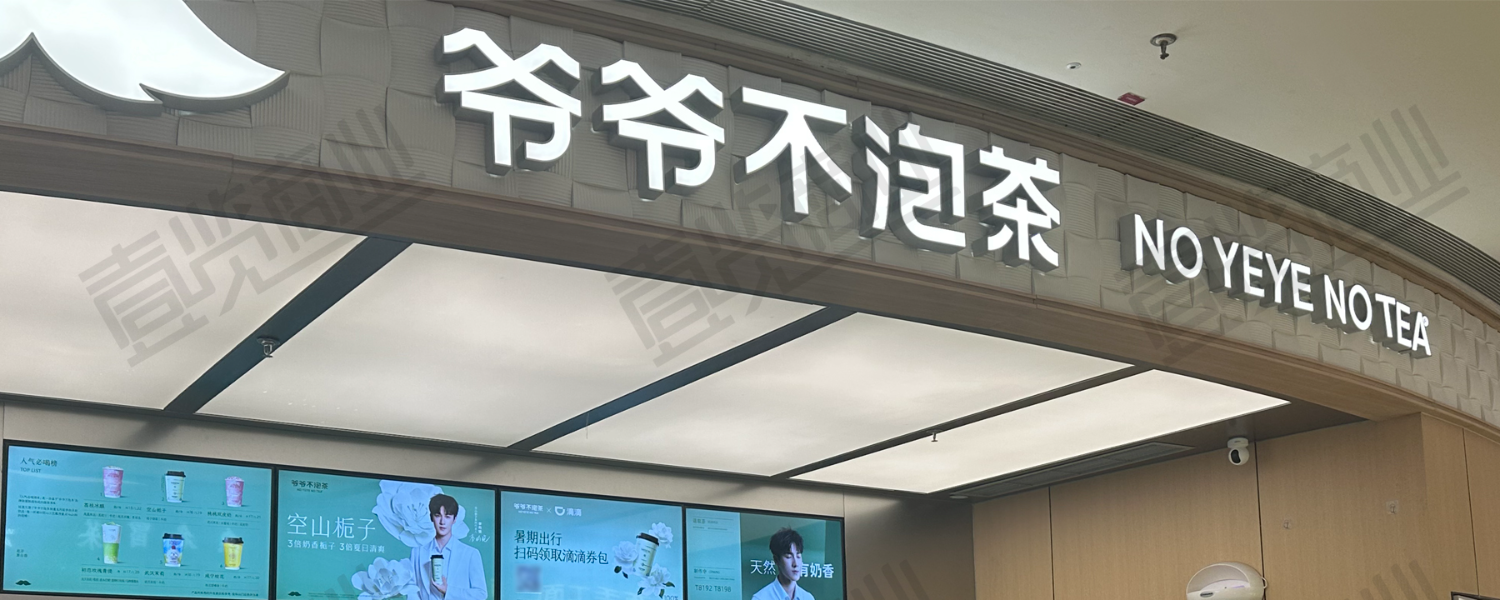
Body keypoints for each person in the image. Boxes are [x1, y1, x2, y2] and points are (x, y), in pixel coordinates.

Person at [413, 494, 488, 600]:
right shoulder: (417, 553)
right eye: (438, 515)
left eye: (447, 516)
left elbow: (481, 594)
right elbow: (413, 592)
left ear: (454, 519)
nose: (442, 522)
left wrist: (448, 590)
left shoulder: (470, 554)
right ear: (431, 517)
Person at [749, 528, 813, 600]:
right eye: (788, 556)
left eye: (798, 556)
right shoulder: (761, 598)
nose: (795, 564)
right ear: (776, 560)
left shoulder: (808, 598)